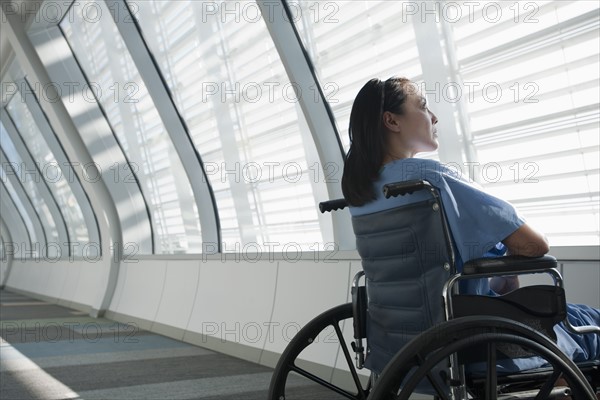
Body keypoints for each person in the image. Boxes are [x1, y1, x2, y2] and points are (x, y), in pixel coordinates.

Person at [341, 77, 599, 377]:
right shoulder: (433, 179)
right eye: (424, 106)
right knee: (588, 322)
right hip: (471, 345)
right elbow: (534, 246)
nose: (434, 116)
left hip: (398, 349)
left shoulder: (361, 194)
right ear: (391, 121)